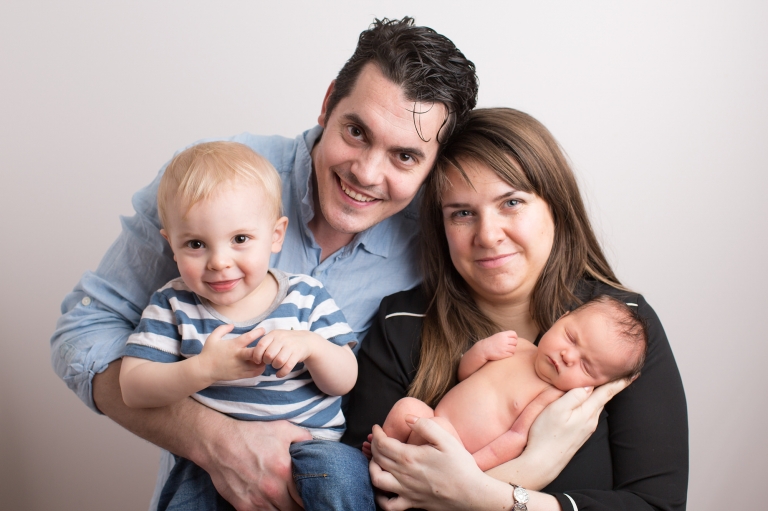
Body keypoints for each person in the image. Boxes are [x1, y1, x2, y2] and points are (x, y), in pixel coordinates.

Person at [51, 16, 484, 511]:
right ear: (327, 105)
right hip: (206, 487)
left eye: (405, 156)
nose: (366, 173)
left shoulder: (440, 239)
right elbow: (83, 334)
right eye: (356, 131)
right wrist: (214, 440)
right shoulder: (205, 185)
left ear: (433, 166)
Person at [342, 108, 688, 510]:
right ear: (440, 227)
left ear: (556, 205)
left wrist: (494, 495)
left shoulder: (622, 328)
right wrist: (529, 472)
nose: (488, 236)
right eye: (463, 213)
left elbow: (657, 505)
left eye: (511, 202)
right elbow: (358, 495)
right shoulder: (401, 325)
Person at [118, 141, 359, 509]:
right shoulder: (174, 305)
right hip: (209, 463)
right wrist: (202, 369)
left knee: (345, 480)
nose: (219, 261)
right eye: (196, 244)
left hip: (313, 450)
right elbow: (133, 389)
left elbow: (344, 379)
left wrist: (311, 346)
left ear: (276, 235)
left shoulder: (305, 296)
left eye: (240, 239)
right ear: (171, 245)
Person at [378, 295, 647, 472]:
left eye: (586, 366)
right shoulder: (518, 346)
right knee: (407, 408)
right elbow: (464, 376)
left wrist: (469, 471)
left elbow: (515, 439)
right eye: (571, 338)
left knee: (433, 427)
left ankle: (397, 468)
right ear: (562, 318)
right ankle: (384, 457)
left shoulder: (549, 397)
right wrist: (481, 352)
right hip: (435, 419)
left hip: (456, 454)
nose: (568, 356)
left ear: (595, 386)